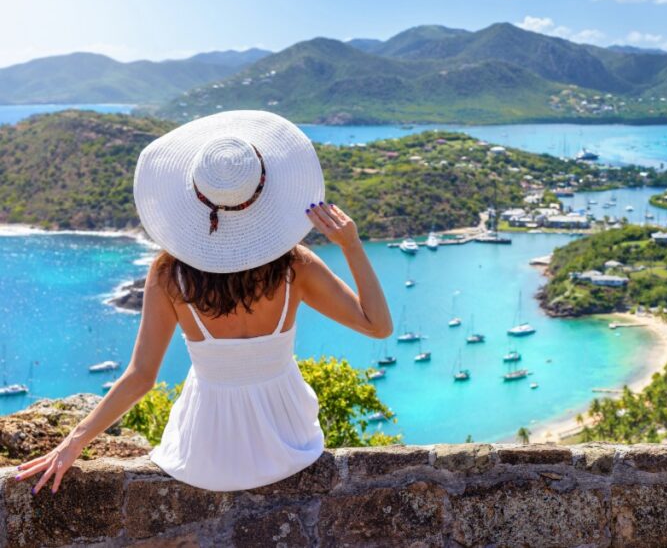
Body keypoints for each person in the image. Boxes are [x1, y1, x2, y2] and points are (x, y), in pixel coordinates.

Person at [14, 110, 392, 493]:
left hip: (205, 454)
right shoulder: (295, 266)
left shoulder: (169, 276)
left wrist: (74, 441)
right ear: (265, 192)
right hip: (290, 442)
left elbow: (141, 376)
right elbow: (378, 326)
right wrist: (351, 244)